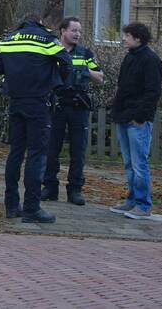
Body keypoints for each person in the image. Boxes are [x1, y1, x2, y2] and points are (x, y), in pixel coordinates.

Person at [0, 13, 71, 223]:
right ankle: (31, 208)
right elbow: (66, 62)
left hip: (15, 101)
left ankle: (11, 206)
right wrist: (54, 81)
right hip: (38, 102)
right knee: (37, 155)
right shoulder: (47, 39)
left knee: (15, 152)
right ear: (40, 23)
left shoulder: (7, 40)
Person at [41, 17, 103, 206]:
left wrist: (85, 71)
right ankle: (50, 187)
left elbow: (100, 78)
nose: (77, 34)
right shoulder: (53, 51)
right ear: (63, 31)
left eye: (79, 31)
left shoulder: (85, 53)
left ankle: (75, 190)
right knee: (51, 148)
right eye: (74, 30)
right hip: (57, 105)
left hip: (78, 106)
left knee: (78, 150)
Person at [108, 22, 162, 219]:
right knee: (129, 163)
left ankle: (143, 204)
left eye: (128, 36)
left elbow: (152, 92)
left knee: (139, 163)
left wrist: (140, 117)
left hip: (137, 120)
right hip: (124, 117)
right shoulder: (130, 58)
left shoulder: (150, 60)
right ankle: (132, 201)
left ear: (138, 38)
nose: (124, 39)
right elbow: (122, 87)